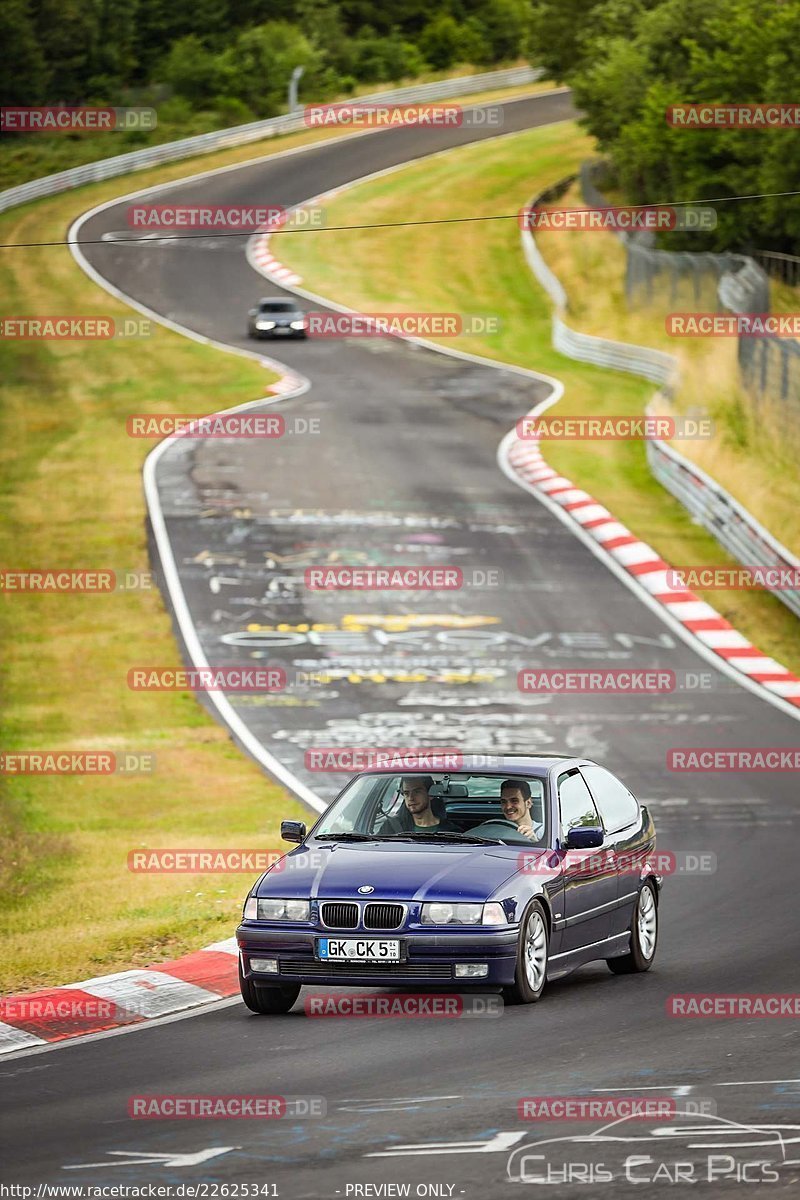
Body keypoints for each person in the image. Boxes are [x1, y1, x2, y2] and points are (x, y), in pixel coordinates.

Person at [378, 775, 458, 835]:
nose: (410, 798)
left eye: (417, 792)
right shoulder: (391, 828)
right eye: (406, 793)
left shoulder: (451, 832)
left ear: (430, 794)